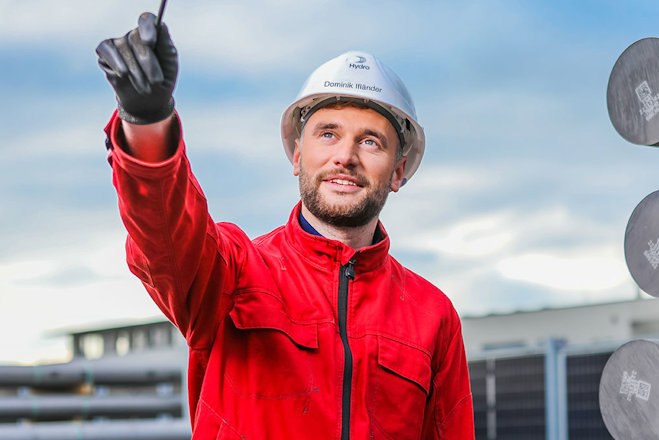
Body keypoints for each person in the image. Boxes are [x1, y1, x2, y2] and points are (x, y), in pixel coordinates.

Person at [95, 12, 474, 439]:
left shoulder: (434, 316)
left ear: (399, 170)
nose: (345, 156)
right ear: (297, 155)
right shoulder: (236, 272)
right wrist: (148, 123)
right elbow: (165, 232)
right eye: (327, 134)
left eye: (370, 141)